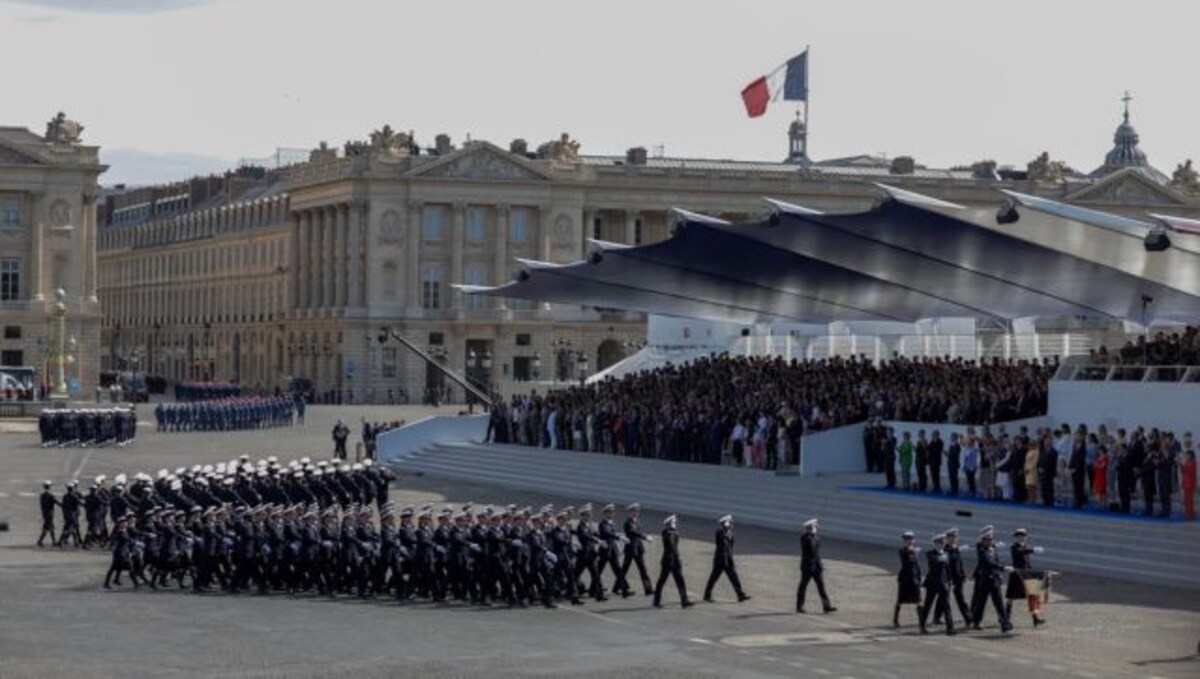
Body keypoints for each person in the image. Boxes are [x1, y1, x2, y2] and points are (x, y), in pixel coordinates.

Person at [969, 525, 1013, 633]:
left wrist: (999, 573)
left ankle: (1004, 623)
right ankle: (976, 621)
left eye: (991, 539)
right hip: (984, 580)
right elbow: (987, 563)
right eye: (987, 539)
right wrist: (1003, 568)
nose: (990, 541)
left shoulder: (993, 549)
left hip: (994, 579)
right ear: (983, 540)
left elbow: (996, 560)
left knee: (999, 602)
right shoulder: (981, 549)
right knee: (981, 602)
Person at [1006, 528, 1051, 627]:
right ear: (1015, 538)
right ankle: (1006, 619)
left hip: (1026, 574)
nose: (1020, 538)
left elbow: (1026, 560)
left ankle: (1035, 618)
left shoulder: (1025, 547)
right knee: (1011, 597)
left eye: (1022, 536)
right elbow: (1020, 552)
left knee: (1032, 596)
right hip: (1017, 574)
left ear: (1026, 537)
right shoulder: (1014, 547)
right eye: (1018, 536)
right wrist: (1033, 550)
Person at [702, 515, 749, 603]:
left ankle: (740, 595)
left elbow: (731, 548)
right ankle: (706, 595)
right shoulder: (720, 533)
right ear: (726, 524)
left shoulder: (731, 534)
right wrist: (725, 528)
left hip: (729, 560)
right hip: (720, 560)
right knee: (713, 578)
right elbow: (722, 545)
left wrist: (731, 559)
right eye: (730, 522)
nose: (732, 524)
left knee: (734, 577)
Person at [918, 534, 957, 635]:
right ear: (935, 544)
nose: (942, 545)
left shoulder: (946, 554)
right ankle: (922, 625)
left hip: (944, 584)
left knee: (947, 606)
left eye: (943, 543)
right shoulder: (930, 554)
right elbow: (937, 560)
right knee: (928, 605)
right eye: (939, 543)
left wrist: (950, 581)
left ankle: (950, 628)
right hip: (932, 583)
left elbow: (948, 569)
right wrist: (943, 556)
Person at [796, 518, 835, 614]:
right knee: (803, 586)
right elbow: (812, 549)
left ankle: (826, 606)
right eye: (815, 527)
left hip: (816, 566)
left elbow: (817, 553)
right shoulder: (806, 538)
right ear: (810, 528)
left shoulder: (816, 537)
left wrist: (820, 564)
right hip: (807, 566)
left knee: (821, 586)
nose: (816, 528)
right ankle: (799, 606)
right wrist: (811, 535)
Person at [653, 515, 692, 609]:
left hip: (675, 561)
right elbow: (671, 546)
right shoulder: (666, 533)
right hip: (667, 560)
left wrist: (678, 558)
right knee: (662, 581)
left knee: (680, 580)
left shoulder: (675, 532)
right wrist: (678, 557)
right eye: (674, 522)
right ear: (669, 524)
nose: (675, 524)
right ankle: (656, 601)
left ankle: (684, 600)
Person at [621, 503, 654, 596]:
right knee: (624, 570)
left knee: (643, 569)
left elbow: (637, 534)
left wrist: (642, 541)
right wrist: (645, 536)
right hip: (630, 549)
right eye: (634, 511)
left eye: (637, 511)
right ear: (630, 512)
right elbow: (633, 532)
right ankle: (620, 587)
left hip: (638, 549)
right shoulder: (627, 523)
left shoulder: (637, 521)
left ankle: (648, 589)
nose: (636, 513)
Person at [894, 530, 923, 628]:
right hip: (905, 578)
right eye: (907, 539)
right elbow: (908, 562)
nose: (909, 541)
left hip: (914, 578)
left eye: (911, 539)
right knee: (900, 599)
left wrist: (919, 577)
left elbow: (917, 566)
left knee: (918, 600)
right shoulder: (903, 550)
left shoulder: (914, 550)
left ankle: (921, 622)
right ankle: (895, 619)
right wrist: (912, 552)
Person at [37, 481, 59, 547]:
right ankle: (52, 541)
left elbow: (41, 505)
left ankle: (41, 541)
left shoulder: (42, 495)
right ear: (49, 487)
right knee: (49, 527)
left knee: (47, 527)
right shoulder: (51, 496)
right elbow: (57, 503)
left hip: (45, 513)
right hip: (50, 514)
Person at [1182, 442, 1196, 521]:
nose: (1186, 456)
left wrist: (1183, 464)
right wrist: (1182, 465)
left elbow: (1189, 471)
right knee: (1186, 500)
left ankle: (1190, 514)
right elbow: (1183, 471)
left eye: (1187, 455)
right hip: (1186, 482)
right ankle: (1187, 513)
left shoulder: (1192, 462)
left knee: (1189, 500)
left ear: (1190, 455)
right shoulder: (1187, 462)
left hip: (1190, 483)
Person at [1093, 445, 1110, 510]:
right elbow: (1096, 465)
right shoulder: (1098, 457)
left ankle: (1102, 504)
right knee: (1097, 490)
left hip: (1102, 475)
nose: (1098, 451)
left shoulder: (1106, 457)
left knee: (1102, 491)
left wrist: (1097, 465)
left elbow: (1102, 466)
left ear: (1102, 450)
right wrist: (1097, 465)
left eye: (1099, 450)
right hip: (1097, 475)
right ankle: (1098, 504)